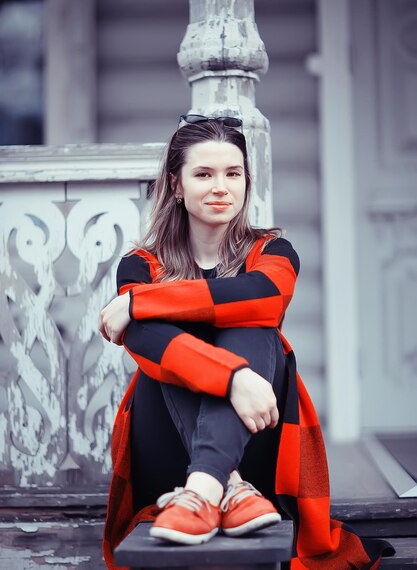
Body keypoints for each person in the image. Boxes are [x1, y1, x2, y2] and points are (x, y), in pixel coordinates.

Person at [99, 116, 394, 570]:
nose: (221, 187)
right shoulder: (141, 264)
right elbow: (143, 339)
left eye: (233, 173)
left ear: (246, 180)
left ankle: (202, 491)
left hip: (257, 432)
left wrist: (142, 303)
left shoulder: (271, 251)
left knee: (254, 325)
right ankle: (224, 484)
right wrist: (233, 378)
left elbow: (267, 298)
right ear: (176, 185)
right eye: (204, 174)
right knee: (173, 346)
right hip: (168, 444)